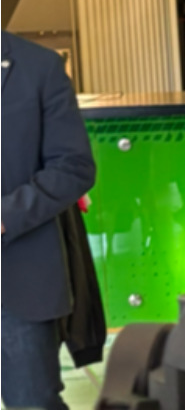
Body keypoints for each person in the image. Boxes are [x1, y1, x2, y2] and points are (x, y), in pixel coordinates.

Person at [2, 31, 98, 410]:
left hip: (19, 279)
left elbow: (73, 167)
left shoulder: (39, 67)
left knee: (33, 402)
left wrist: (5, 217)